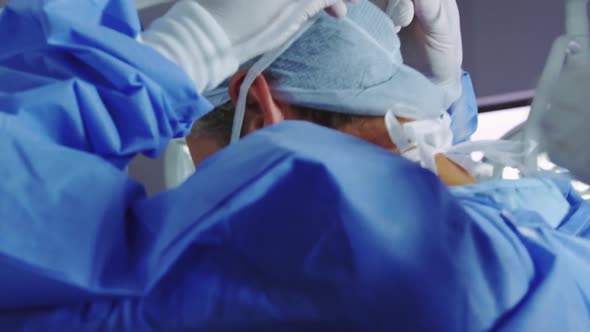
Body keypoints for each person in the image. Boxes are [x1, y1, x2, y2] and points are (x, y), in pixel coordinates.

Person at [1, 1, 589, 332]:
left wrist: (168, 59)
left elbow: (30, 251)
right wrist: (444, 96)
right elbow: (429, 179)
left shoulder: (303, 240)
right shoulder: (548, 220)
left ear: (256, 112)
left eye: (209, 168)